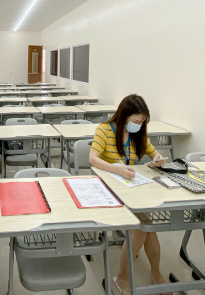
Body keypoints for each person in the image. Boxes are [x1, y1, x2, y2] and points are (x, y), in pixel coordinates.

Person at [88, 94, 169, 295]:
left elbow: (154, 153)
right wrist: (118, 169)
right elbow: (93, 159)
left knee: (147, 226)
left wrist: (158, 158)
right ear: (124, 116)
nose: (138, 125)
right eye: (135, 121)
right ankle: (124, 277)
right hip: (107, 187)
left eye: (141, 122)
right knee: (142, 227)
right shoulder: (105, 130)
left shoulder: (137, 134)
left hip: (129, 188)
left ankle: (154, 272)